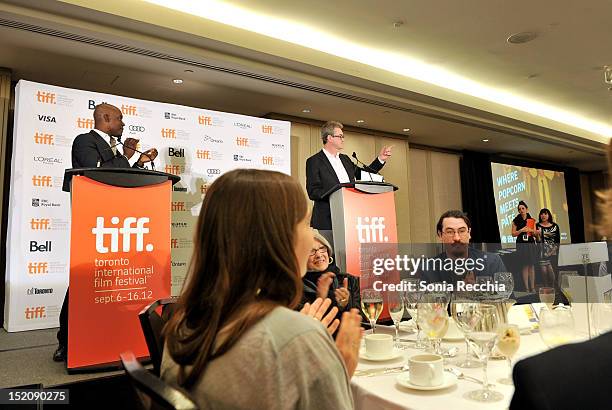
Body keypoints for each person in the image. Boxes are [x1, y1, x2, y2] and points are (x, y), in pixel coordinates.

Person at [161, 169, 362, 409]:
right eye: (307, 224)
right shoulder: (297, 339)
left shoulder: (183, 322)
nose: (312, 239)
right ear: (278, 238)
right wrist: (337, 370)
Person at [53, 103, 159, 362]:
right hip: (95, 223)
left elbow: (121, 178)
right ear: (106, 118)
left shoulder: (116, 148)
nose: (123, 123)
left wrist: (138, 162)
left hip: (119, 223)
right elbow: (99, 171)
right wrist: (125, 155)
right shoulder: (84, 141)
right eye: (120, 118)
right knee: (85, 282)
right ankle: (67, 341)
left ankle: (108, 336)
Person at [306, 121, 392, 244]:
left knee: (349, 257)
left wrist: (380, 160)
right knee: (332, 257)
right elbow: (313, 191)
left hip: (351, 216)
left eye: (343, 136)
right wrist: (337, 193)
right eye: (340, 136)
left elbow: (364, 174)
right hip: (327, 219)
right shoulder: (314, 161)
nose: (343, 139)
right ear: (329, 138)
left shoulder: (345, 159)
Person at [422, 210, 507, 284]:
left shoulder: (492, 262)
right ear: (440, 235)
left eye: (462, 231)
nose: (457, 238)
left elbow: (507, 300)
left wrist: (479, 294)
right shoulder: (428, 268)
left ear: (469, 233)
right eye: (450, 232)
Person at [300, 230, 361, 316]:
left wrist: (344, 305)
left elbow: (360, 321)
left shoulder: (350, 280)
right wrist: (320, 298)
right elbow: (305, 326)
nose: (319, 255)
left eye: (322, 249)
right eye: (311, 251)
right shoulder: (296, 290)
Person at [511, 201, 539, 292]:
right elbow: (513, 234)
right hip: (521, 244)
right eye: (519, 209)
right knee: (525, 265)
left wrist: (533, 231)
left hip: (530, 243)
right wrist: (521, 230)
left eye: (523, 208)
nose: (521, 210)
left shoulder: (531, 220)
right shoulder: (516, 220)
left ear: (527, 209)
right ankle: (527, 288)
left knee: (531, 265)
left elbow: (535, 234)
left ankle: (533, 287)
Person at [536, 208, 560, 288]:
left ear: (549, 215)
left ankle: (553, 288)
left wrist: (550, 252)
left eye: (545, 214)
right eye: (541, 214)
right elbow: (538, 241)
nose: (543, 215)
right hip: (542, 253)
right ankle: (546, 289)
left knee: (552, 274)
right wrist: (537, 235)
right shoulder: (537, 225)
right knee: (544, 272)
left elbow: (557, 242)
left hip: (553, 253)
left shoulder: (555, 226)